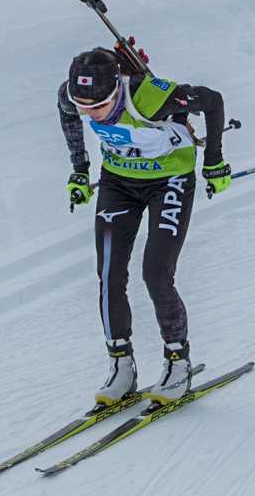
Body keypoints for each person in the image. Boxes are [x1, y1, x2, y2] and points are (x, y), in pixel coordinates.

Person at [57, 47, 232, 406]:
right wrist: (79, 169)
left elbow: (213, 102)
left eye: (98, 107)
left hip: (169, 181)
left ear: (117, 92)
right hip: (117, 182)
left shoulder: (152, 97)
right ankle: (121, 365)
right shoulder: (75, 97)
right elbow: (69, 117)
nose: (89, 114)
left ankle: (176, 362)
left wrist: (214, 162)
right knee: (108, 272)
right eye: (82, 105)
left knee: (155, 273)